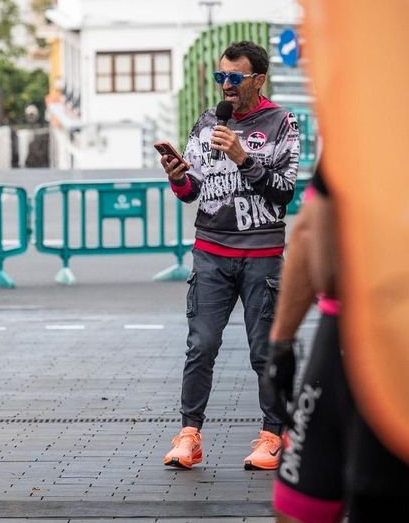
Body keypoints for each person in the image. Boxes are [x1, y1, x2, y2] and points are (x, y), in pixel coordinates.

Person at [158, 40, 300, 470]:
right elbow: (193, 193)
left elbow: (283, 193)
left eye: (235, 78)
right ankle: (189, 435)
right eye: (221, 77)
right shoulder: (206, 123)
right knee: (201, 345)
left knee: (264, 351)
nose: (226, 86)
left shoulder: (281, 123)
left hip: (261, 255)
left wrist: (242, 159)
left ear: (258, 79)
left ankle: (273, 436)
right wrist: (177, 177)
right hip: (211, 253)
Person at [265, 161, 409, 522]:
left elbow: (313, 232)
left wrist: (281, 344)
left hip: (355, 335)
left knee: (301, 508)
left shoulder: (362, 117)